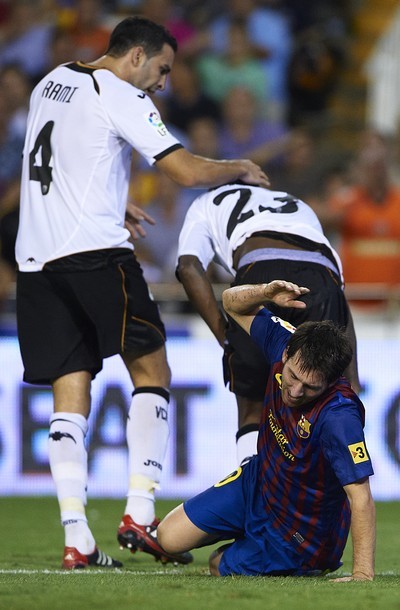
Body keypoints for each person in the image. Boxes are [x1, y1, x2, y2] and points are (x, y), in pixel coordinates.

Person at [15, 16, 269, 570]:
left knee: (69, 389)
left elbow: (53, 161)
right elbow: (185, 171)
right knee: (153, 370)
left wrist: (113, 199)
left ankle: (77, 538)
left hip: (36, 261)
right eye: (162, 69)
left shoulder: (52, 80)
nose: (163, 82)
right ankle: (140, 511)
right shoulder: (122, 94)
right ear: (136, 55)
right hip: (96, 256)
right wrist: (239, 167)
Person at [157, 280, 376, 579]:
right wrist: (264, 293)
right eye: (292, 376)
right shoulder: (283, 340)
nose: (295, 392)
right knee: (168, 537)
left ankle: (304, 564)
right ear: (286, 355)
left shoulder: (339, 416)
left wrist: (362, 573)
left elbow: (360, 495)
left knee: (217, 564)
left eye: (310, 387)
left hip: (300, 531)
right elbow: (231, 303)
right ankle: (250, 541)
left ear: (329, 382)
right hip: (259, 482)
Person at [176, 184, 360, 465]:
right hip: (321, 274)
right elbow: (338, 299)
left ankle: (250, 486)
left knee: (252, 408)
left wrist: (226, 337)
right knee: (326, 398)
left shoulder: (206, 201)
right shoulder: (293, 198)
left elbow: (188, 268)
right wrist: (352, 377)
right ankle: (321, 483)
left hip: (259, 270)